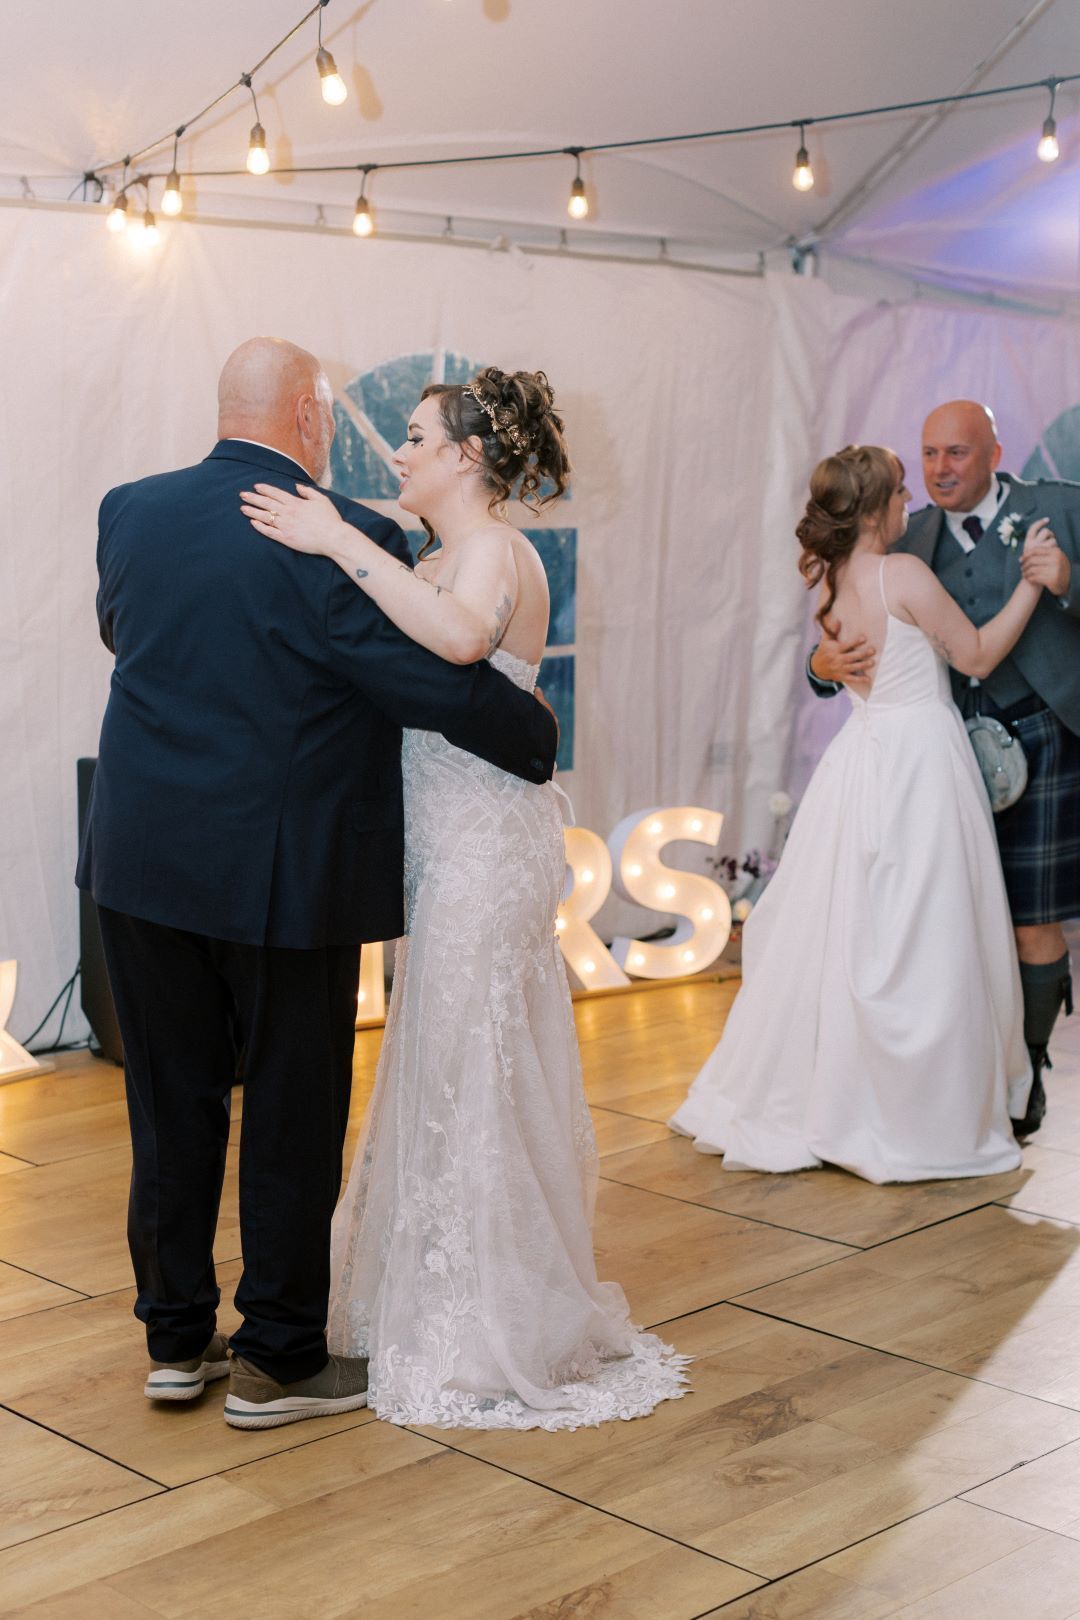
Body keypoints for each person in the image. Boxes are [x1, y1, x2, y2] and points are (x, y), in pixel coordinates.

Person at [76, 338, 560, 1430]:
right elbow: (416, 680)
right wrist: (530, 732)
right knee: (291, 1114)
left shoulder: (130, 512)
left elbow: (128, 634)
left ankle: (173, 1341)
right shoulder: (345, 538)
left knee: (170, 1108)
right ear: (309, 419)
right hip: (282, 874)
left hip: (140, 863)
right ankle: (280, 1360)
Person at [243, 366, 688, 1429]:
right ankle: (429, 1296)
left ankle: (490, 1321)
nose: (397, 451)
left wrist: (340, 544)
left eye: (415, 436)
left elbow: (458, 644)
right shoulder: (439, 551)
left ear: (467, 457)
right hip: (443, 840)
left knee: (469, 1063)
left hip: (488, 842)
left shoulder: (496, 551)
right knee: (438, 1057)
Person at [670, 445, 1052, 1183]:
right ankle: (913, 1109)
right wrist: (1031, 589)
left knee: (852, 932)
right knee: (926, 932)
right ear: (877, 506)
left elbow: (835, 659)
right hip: (920, 762)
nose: (910, 499)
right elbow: (973, 657)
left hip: (860, 759)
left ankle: (841, 1092)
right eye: (900, 489)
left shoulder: (835, 575)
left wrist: (821, 664)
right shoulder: (902, 571)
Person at [809, 402, 1078, 1137]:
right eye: (927, 456)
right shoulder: (909, 538)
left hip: (1046, 737)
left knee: (1028, 926)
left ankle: (1024, 1071)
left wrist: (1068, 581)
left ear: (995, 449)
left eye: (956, 453)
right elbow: (852, 644)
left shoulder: (1056, 510)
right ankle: (949, 1082)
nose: (939, 471)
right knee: (948, 925)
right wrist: (819, 664)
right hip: (946, 756)